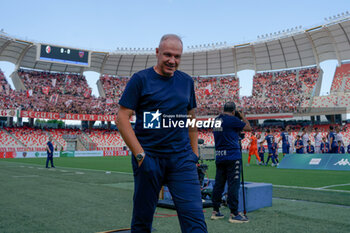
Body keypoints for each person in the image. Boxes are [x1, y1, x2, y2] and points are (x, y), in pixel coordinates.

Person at [117, 34, 207, 233]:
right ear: (157, 52)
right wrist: (140, 156)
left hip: (182, 160)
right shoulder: (140, 79)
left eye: (177, 56)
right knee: (142, 220)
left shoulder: (186, 82)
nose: (172, 61)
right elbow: (122, 118)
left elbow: (191, 117)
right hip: (149, 158)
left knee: (195, 221)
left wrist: (194, 154)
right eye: (168, 55)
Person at [211, 102, 252, 223]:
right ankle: (234, 213)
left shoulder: (216, 120)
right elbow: (248, 127)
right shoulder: (232, 120)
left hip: (219, 156)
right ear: (233, 111)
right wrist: (242, 116)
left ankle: (215, 211)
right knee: (233, 184)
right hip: (232, 156)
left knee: (219, 184)